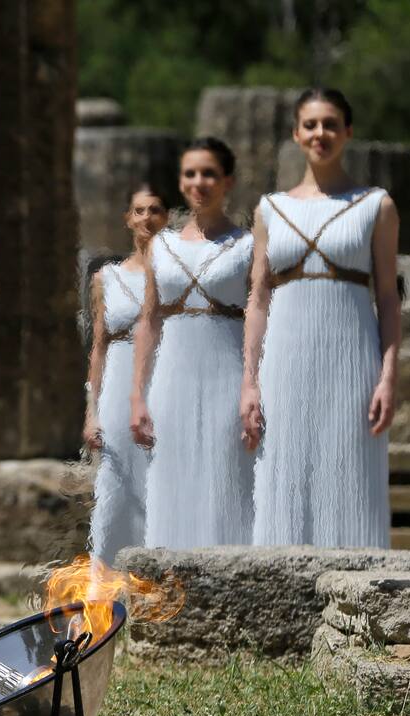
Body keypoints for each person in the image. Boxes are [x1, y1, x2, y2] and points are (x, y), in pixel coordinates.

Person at [241, 88, 400, 547]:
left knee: (351, 477)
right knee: (282, 475)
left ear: (348, 132)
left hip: (351, 361)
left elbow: (388, 299)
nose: (320, 133)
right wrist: (249, 380)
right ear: (296, 134)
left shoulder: (376, 205)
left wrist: (389, 376)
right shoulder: (270, 209)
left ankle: (360, 604)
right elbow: (258, 299)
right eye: (310, 125)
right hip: (285, 363)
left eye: (331, 124)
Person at [130, 140, 255, 547]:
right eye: (190, 174)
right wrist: (137, 396)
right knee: (171, 481)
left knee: (226, 481)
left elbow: (261, 318)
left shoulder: (250, 245)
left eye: (208, 174)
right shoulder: (161, 246)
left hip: (227, 376)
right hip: (172, 379)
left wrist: (254, 386)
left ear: (227, 181)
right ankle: (166, 597)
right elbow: (148, 321)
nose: (198, 182)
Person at [84, 186, 168, 565]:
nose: (146, 218)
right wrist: (91, 410)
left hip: (163, 377)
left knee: (161, 480)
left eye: (155, 210)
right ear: (127, 218)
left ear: (166, 218)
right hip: (117, 384)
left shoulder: (177, 273)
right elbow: (98, 346)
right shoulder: (107, 278)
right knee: (117, 484)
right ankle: (108, 579)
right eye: (139, 210)